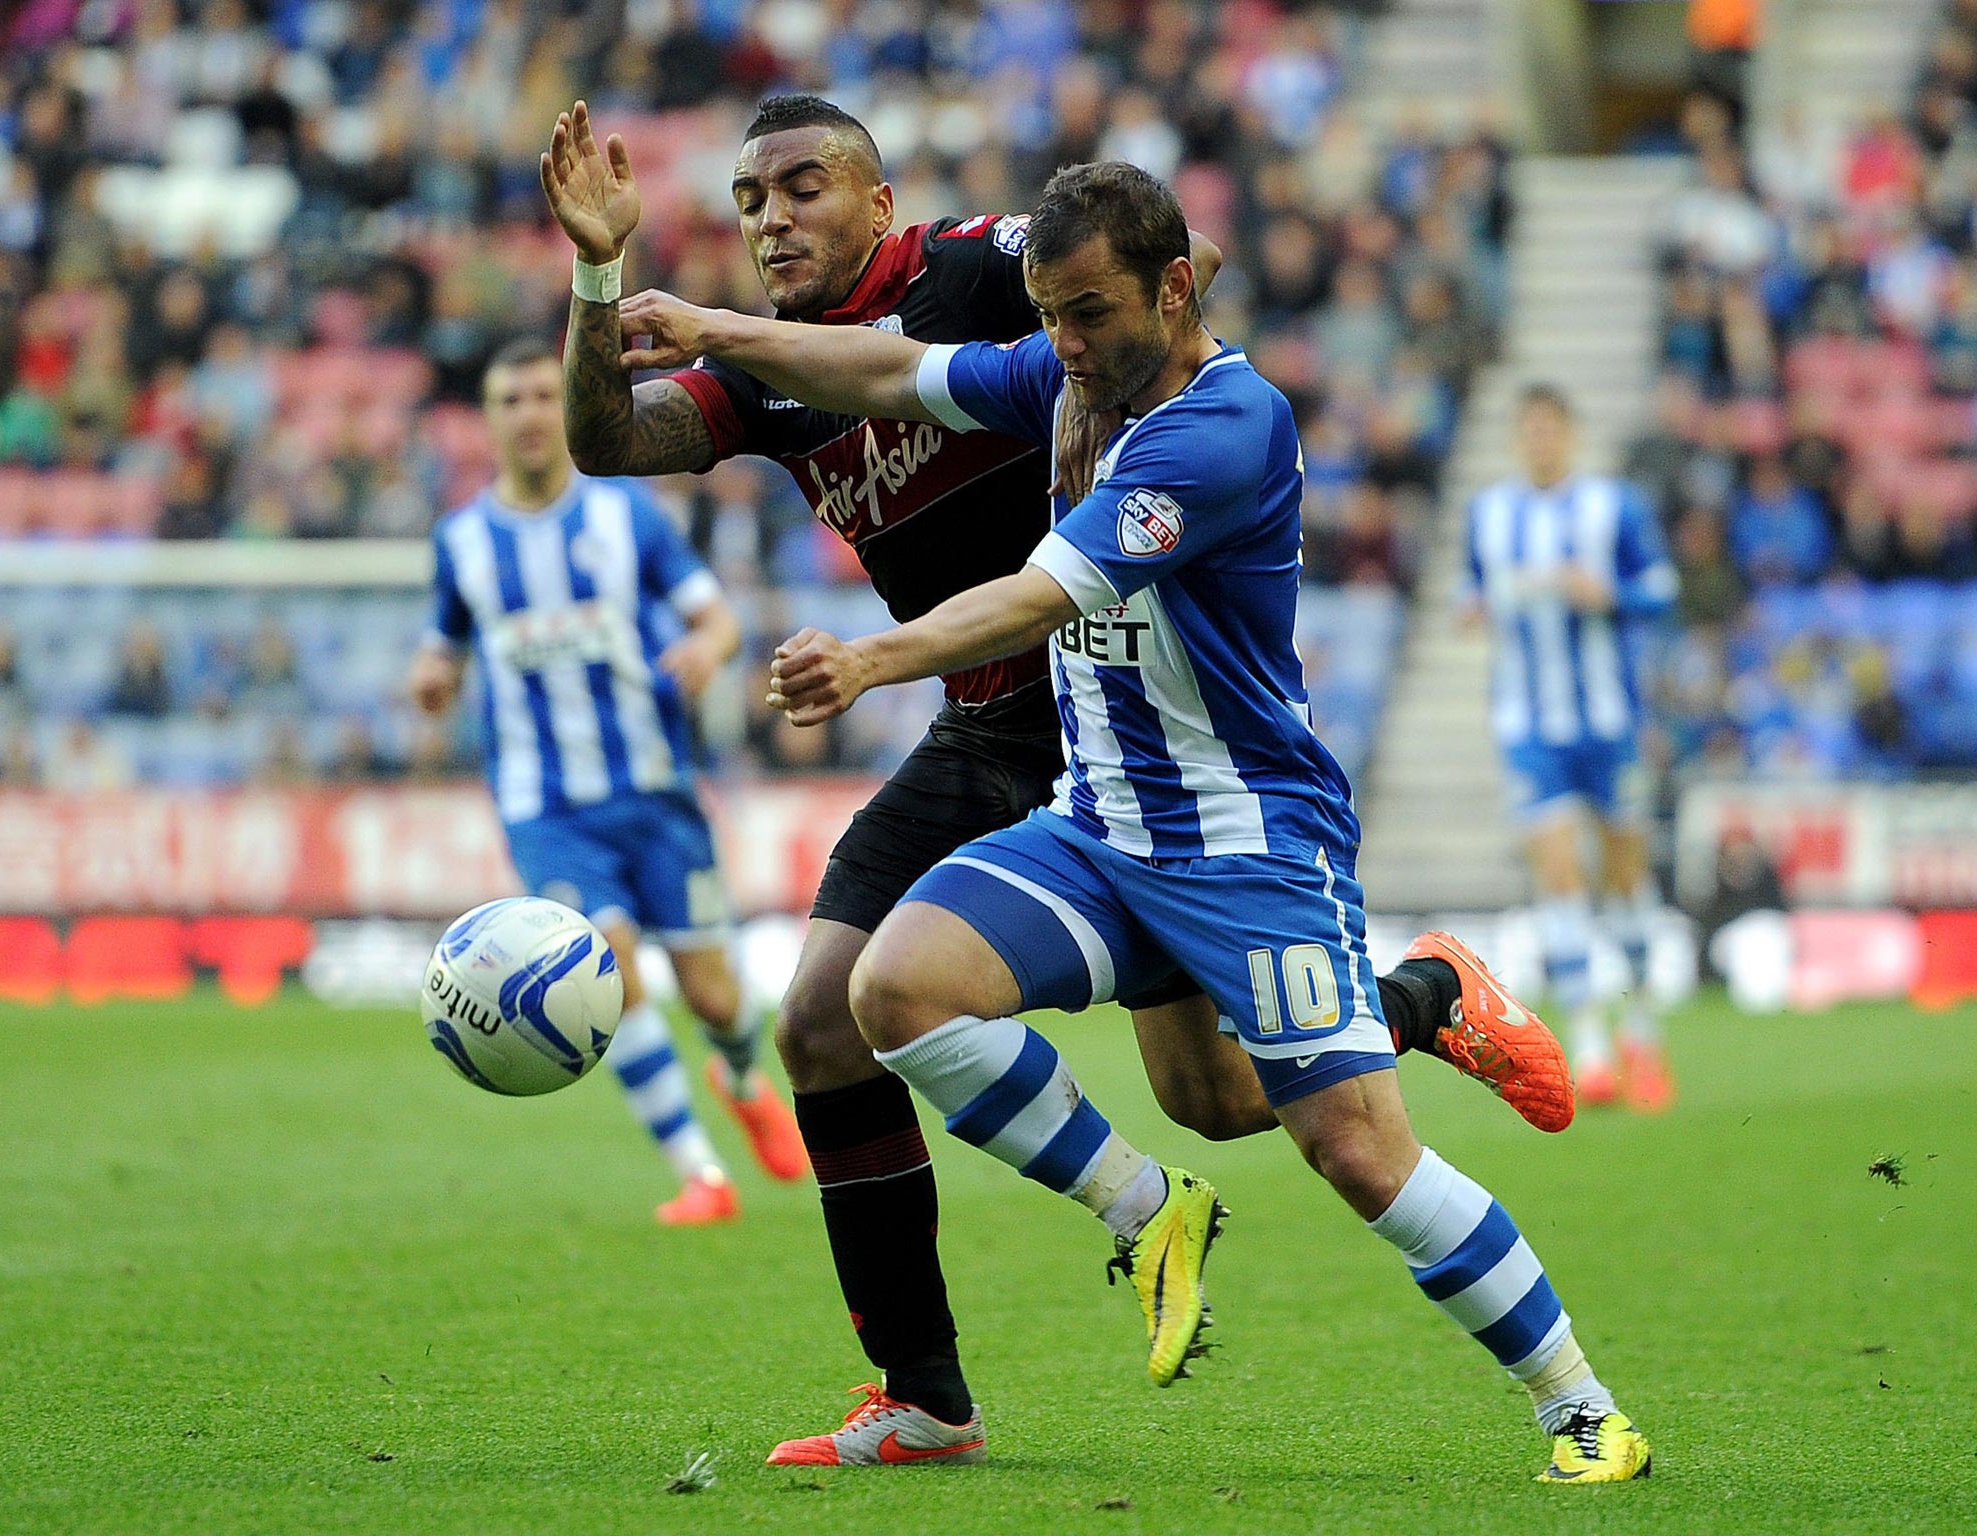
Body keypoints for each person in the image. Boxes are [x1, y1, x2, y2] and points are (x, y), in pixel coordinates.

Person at [544, 95, 1575, 1466]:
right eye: (748, 200)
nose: (772, 217)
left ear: (878, 196)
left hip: (1135, 718)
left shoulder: (985, 271)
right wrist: (599, 275)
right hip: (986, 730)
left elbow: (1180, 258)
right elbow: (609, 443)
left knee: (1216, 1094)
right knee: (825, 1024)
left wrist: (1103, 431)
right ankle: (931, 1391)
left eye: (803, 187)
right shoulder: (777, 375)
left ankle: (1409, 1006)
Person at [408, 336, 807, 1225]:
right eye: (508, 400)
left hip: (656, 790)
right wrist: (432, 682)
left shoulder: (626, 518)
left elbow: (719, 620)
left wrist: (705, 649)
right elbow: (440, 655)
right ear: (488, 420)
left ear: (568, 407)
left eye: (542, 397)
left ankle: (738, 1073)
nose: (527, 415)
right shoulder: (463, 542)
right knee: (610, 971)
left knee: (716, 996)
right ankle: (700, 1174)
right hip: (546, 808)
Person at [1461, 386, 1681, 1110]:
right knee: (1559, 876)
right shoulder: (1489, 516)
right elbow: (1473, 587)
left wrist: (1610, 594)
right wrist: (1474, 609)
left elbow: (1662, 586)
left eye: (1551, 429)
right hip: (1528, 728)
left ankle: (1642, 1032)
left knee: (1625, 879)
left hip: (1610, 722)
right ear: (1518, 439)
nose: (1541, 441)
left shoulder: (1611, 507)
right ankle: (1589, 1043)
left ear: (1571, 435)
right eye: (1530, 430)